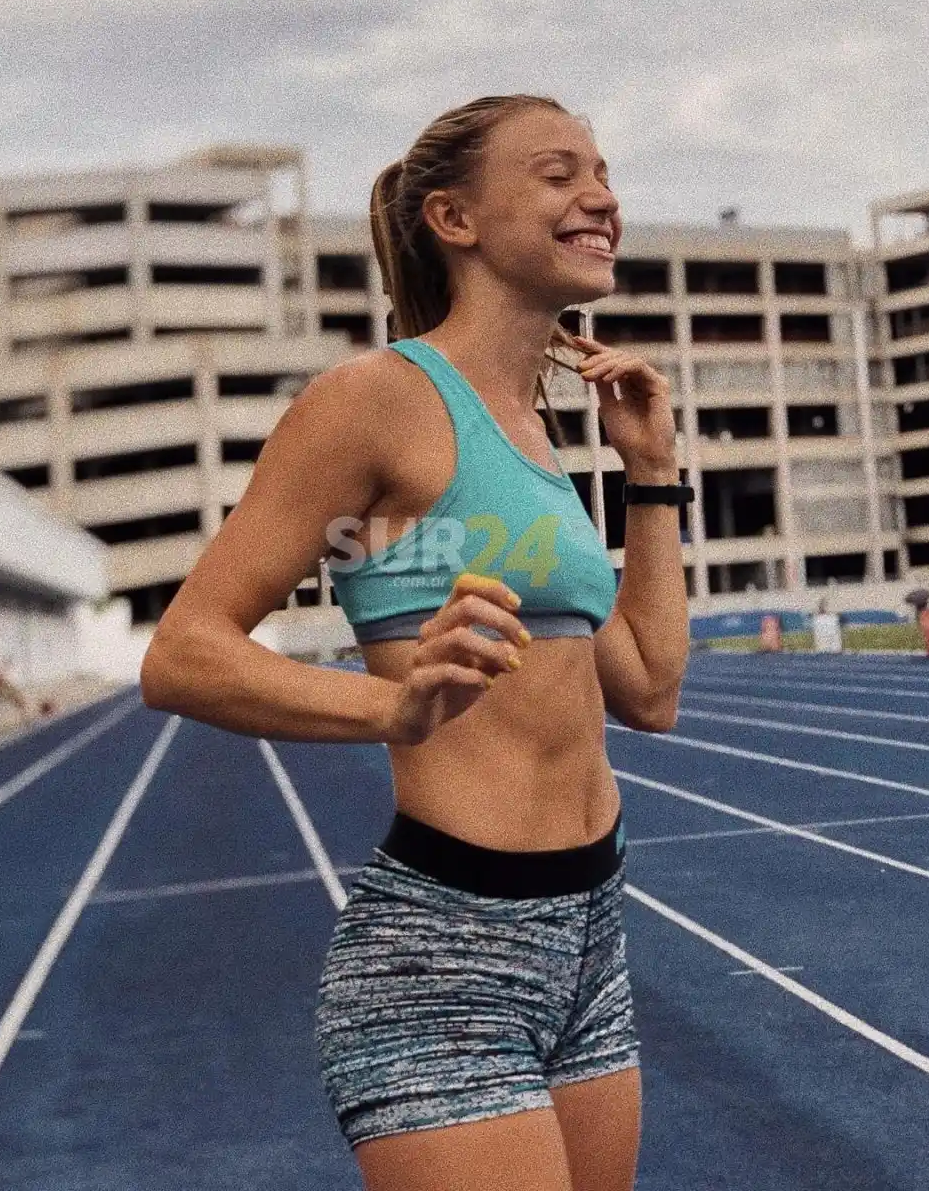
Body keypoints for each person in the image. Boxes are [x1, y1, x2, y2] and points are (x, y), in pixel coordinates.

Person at [141, 94, 691, 1191]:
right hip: (444, 957)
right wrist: (387, 708)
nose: (601, 197)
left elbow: (648, 689)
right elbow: (182, 652)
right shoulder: (374, 399)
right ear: (454, 216)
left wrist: (650, 473)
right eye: (557, 173)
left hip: (590, 938)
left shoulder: (535, 433)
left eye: (603, 171)